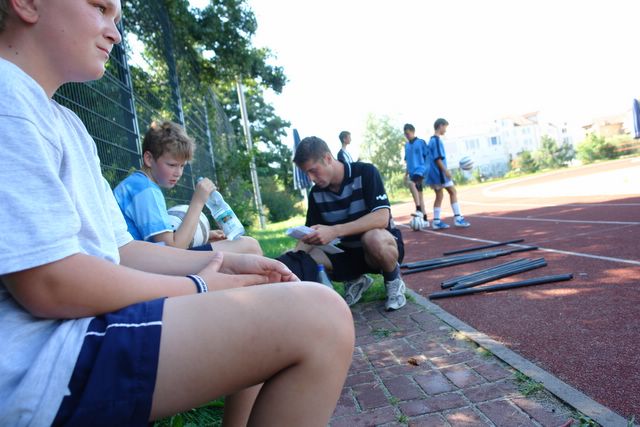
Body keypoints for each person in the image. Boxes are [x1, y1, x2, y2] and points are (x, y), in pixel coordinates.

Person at [0, 2, 354, 427]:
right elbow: (48, 284)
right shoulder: (8, 97)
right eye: (99, 7)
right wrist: (199, 284)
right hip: (40, 362)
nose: (114, 32)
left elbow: (123, 251)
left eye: (117, 18)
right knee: (323, 318)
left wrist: (227, 264)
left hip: (76, 331)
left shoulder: (66, 122)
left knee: (264, 288)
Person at [113, 120, 262, 255]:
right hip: (142, 267)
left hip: (141, 260)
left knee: (235, 247)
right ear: (149, 159)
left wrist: (204, 235)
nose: (178, 173)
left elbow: (160, 242)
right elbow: (173, 250)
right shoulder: (146, 190)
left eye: (182, 166)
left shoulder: (135, 185)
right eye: (172, 165)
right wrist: (198, 201)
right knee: (250, 246)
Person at [294, 136, 407, 311]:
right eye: (306, 173)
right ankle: (355, 280)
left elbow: (382, 217)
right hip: (346, 254)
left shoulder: (366, 172)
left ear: (328, 158)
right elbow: (309, 234)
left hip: (376, 249)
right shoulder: (316, 193)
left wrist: (335, 231)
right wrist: (291, 258)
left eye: (313, 171)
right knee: (308, 256)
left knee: (373, 237)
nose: (311, 178)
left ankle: (393, 280)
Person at [426, 118, 471, 229]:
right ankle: (458, 218)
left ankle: (436, 221)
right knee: (453, 192)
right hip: (439, 173)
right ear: (440, 126)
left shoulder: (431, 140)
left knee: (439, 195)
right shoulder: (436, 141)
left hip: (434, 173)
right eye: (445, 127)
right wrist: (446, 171)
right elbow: (437, 159)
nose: (445, 130)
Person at [403, 123, 430, 228]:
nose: (406, 135)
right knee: (420, 196)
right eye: (405, 134)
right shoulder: (406, 145)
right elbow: (407, 161)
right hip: (412, 172)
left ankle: (418, 209)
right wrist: (406, 174)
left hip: (420, 170)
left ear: (413, 131)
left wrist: (427, 169)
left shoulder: (421, 142)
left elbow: (428, 156)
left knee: (411, 183)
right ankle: (425, 219)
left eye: (408, 133)